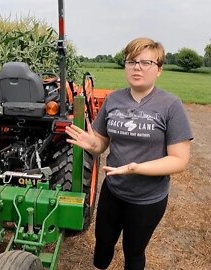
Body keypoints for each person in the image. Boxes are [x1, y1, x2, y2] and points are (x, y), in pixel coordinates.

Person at [65, 37, 193, 270]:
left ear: (159, 69)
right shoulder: (114, 99)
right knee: (103, 244)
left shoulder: (170, 105)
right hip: (113, 189)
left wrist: (137, 168)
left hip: (148, 199)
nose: (137, 67)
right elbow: (102, 142)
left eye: (146, 63)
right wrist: (92, 144)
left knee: (133, 252)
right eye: (132, 61)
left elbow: (179, 160)